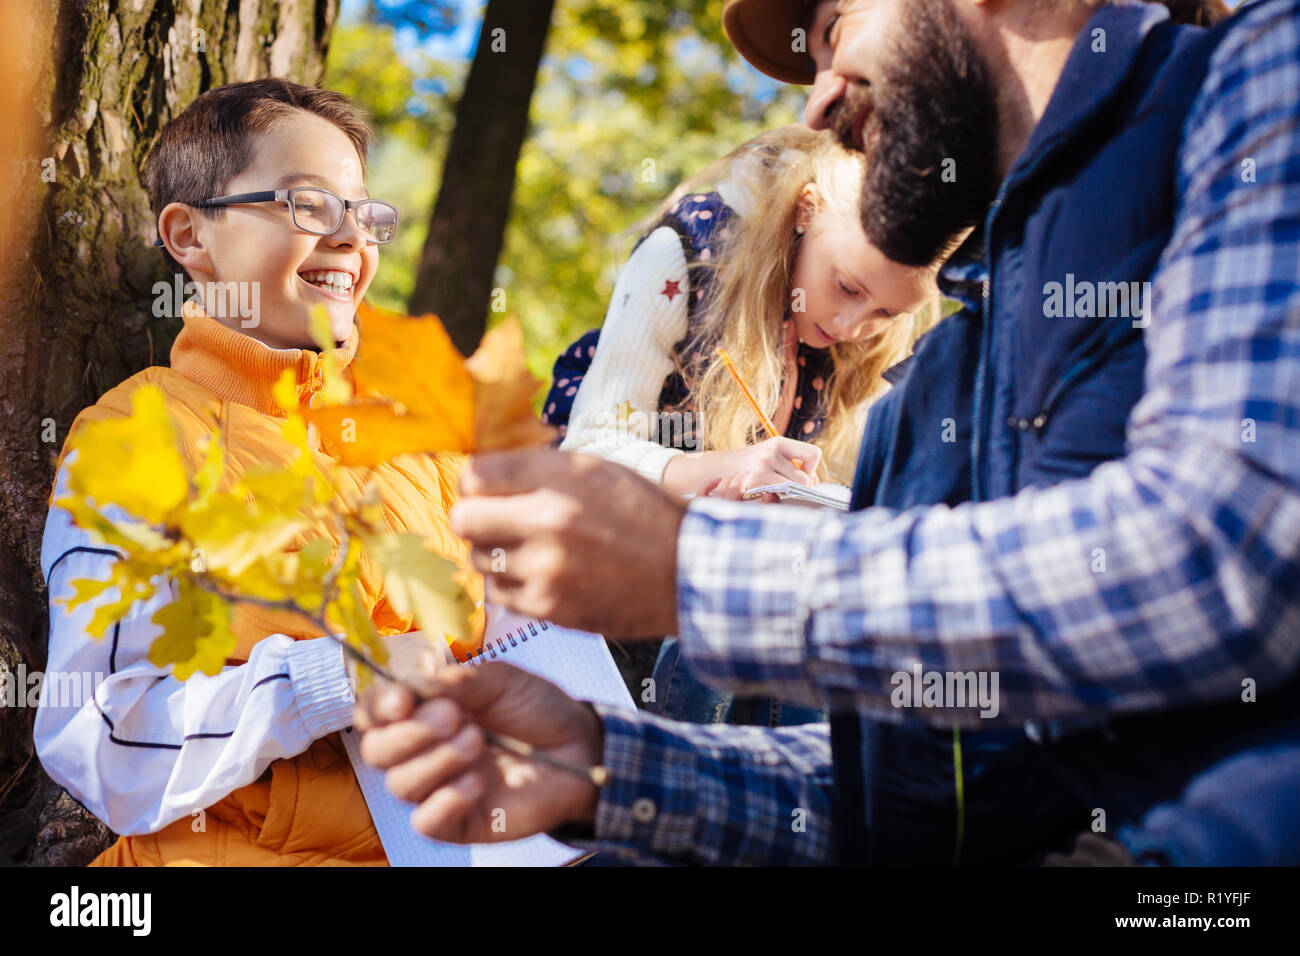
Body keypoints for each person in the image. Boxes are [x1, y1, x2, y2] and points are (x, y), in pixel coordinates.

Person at [357, 0, 1300, 866]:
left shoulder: (1264, 79)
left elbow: (1228, 548)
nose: (815, 108)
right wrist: (608, 770)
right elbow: (928, 795)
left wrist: (694, 570)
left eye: (837, 25)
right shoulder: (943, 381)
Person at [34, 79, 481, 866]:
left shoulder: (422, 441)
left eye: (365, 213)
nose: (352, 237)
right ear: (191, 236)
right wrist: (336, 678)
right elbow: (100, 738)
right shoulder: (133, 442)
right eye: (310, 206)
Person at [544, 124, 945, 728]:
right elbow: (588, 451)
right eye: (847, 287)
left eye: (887, 313)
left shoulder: (854, 344)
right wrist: (720, 469)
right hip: (600, 570)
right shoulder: (689, 255)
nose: (853, 324)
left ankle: (788, 799)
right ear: (807, 209)